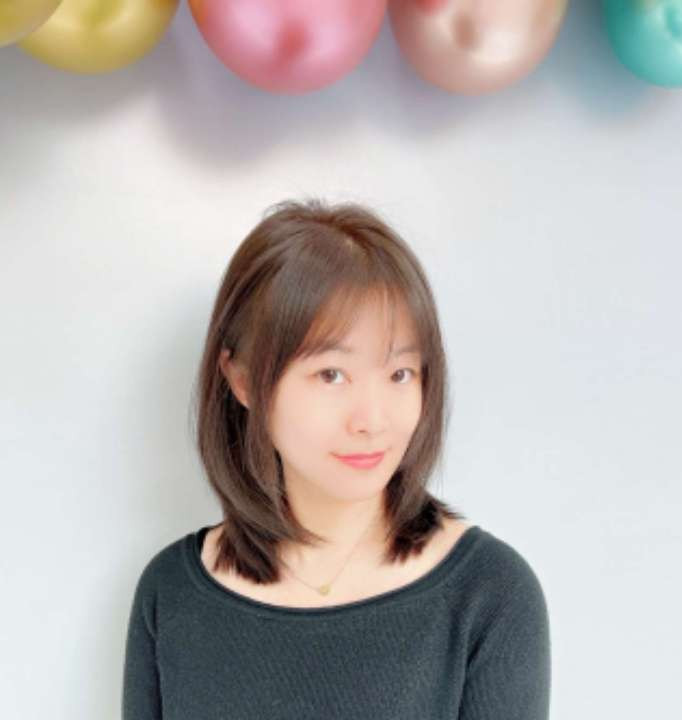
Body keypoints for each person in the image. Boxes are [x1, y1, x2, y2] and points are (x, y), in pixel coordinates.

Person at [121, 198, 551, 719]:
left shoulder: (489, 594)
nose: (372, 419)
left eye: (399, 374)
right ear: (242, 379)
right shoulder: (172, 595)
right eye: (332, 375)